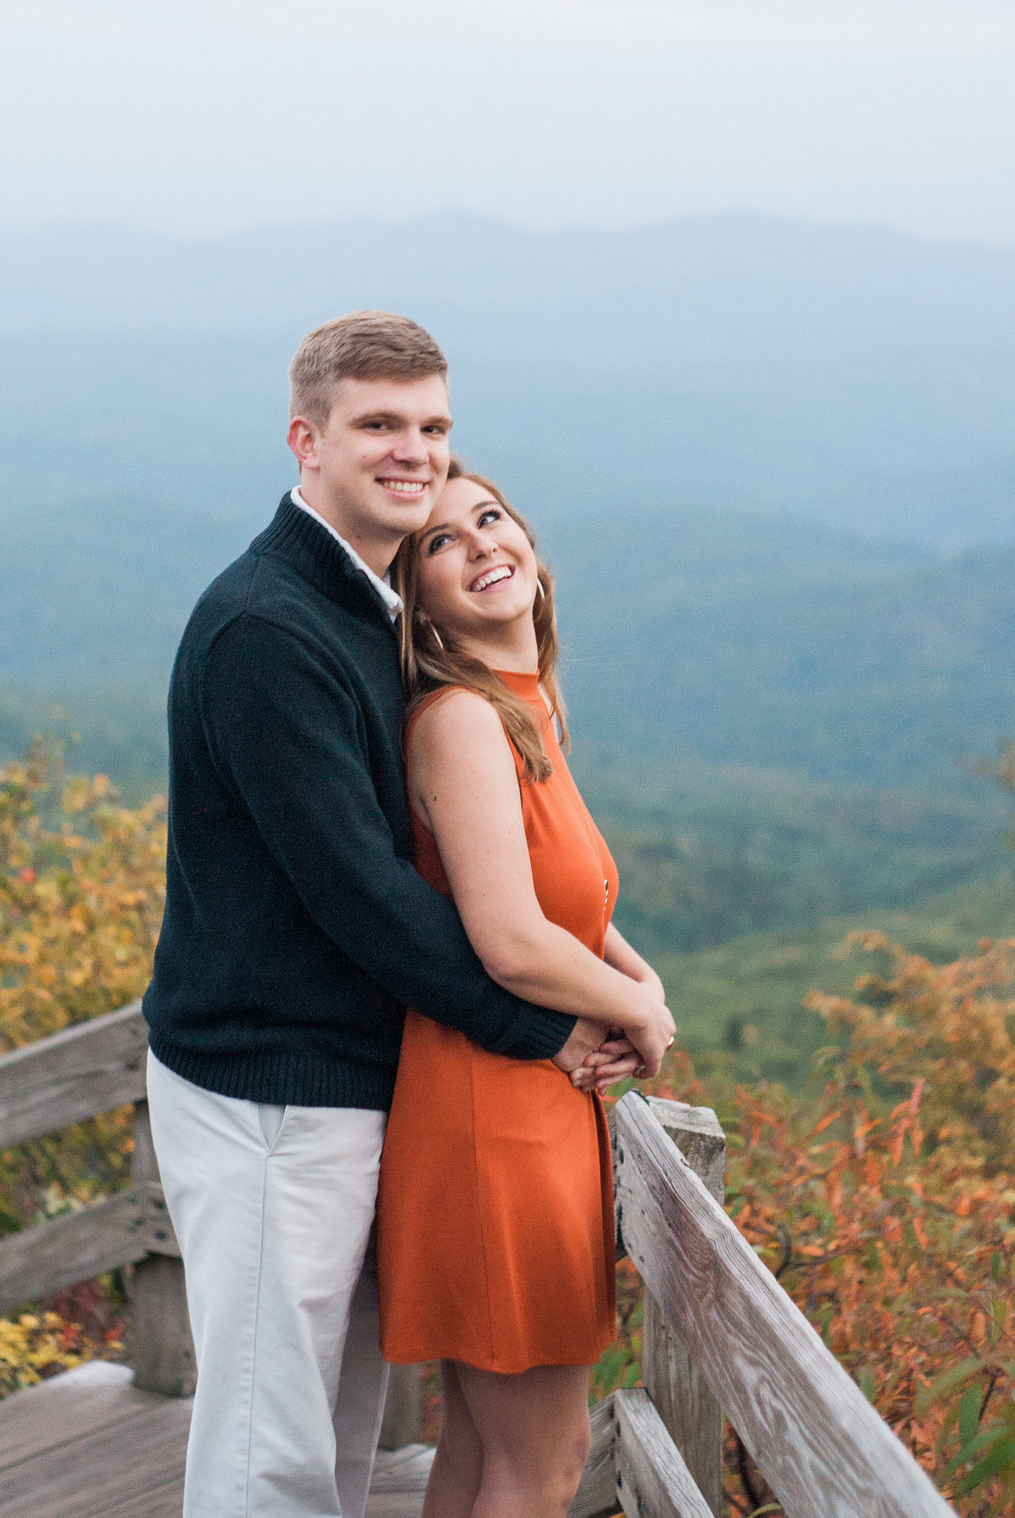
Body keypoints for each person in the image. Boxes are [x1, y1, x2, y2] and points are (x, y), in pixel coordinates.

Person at [141, 311, 630, 1518]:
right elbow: (361, 891)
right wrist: (541, 1029)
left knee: (338, 1440)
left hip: (356, 1080)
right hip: (268, 1086)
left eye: (433, 426)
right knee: (272, 1452)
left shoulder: (371, 606)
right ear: (307, 441)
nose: (414, 451)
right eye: (379, 426)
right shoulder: (270, 627)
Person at [377, 461, 675, 1518]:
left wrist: (632, 970)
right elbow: (507, 938)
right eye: (442, 546)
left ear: (534, 548)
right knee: (541, 1468)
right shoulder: (461, 718)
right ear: (422, 607)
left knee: (481, 1450)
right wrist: (640, 1012)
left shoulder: (525, 707)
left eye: (490, 519)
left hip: (514, 1108)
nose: (482, 546)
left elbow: (556, 888)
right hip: (492, 1117)